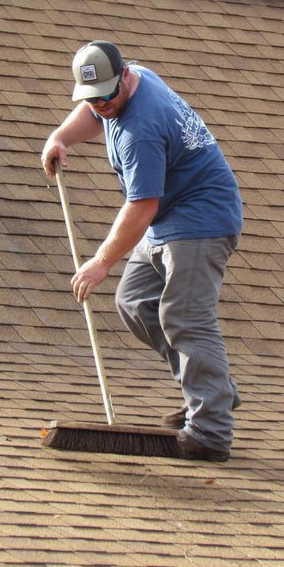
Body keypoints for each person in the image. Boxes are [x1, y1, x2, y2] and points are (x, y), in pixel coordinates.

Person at [41, 40, 243, 462]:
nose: (102, 105)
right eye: (91, 98)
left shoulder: (141, 130)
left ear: (126, 77)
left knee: (184, 317)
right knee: (134, 301)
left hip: (199, 219)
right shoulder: (127, 85)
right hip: (167, 217)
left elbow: (142, 205)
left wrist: (99, 262)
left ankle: (210, 431)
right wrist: (61, 137)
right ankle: (210, 390)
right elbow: (94, 114)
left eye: (108, 95)